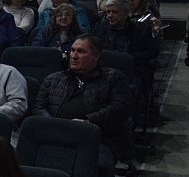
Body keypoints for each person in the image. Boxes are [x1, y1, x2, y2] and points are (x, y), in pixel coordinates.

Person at [34, 34, 133, 164]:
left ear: (96, 56)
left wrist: (88, 121)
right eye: (73, 50)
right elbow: (38, 107)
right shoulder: (53, 79)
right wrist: (54, 125)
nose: (74, 56)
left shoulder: (113, 78)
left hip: (98, 139)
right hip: (56, 137)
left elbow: (120, 108)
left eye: (81, 52)